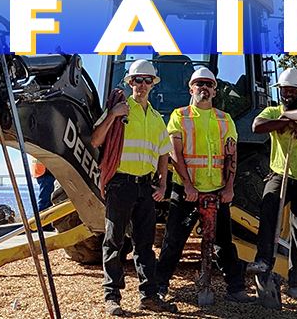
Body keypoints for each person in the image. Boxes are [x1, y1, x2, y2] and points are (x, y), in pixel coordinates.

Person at [155, 67, 253, 304]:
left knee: (224, 243)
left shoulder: (224, 119)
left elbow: (231, 154)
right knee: (174, 241)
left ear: (215, 90)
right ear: (191, 88)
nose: (204, 88)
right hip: (186, 192)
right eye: (199, 84)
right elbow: (174, 153)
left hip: (217, 192)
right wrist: (188, 185)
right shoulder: (180, 116)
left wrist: (229, 187)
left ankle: (235, 288)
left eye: (209, 84)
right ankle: (159, 287)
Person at [91, 59, 177, 316]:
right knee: (113, 242)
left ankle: (148, 296)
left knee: (145, 245)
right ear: (129, 83)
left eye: (147, 80)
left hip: (144, 188)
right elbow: (96, 140)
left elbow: (164, 151)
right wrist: (113, 116)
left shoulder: (155, 117)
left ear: (153, 84)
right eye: (137, 80)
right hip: (120, 184)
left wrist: (162, 182)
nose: (142, 84)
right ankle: (112, 297)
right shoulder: (119, 109)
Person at [247, 67, 297, 301]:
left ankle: (296, 282)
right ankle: (263, 262)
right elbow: (257, 126)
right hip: (281, 174)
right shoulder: (271, 111)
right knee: (268, 212)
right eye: (284, 90)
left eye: (292, 90)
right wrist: (284, 121)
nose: (287, 94)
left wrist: (284, 119)